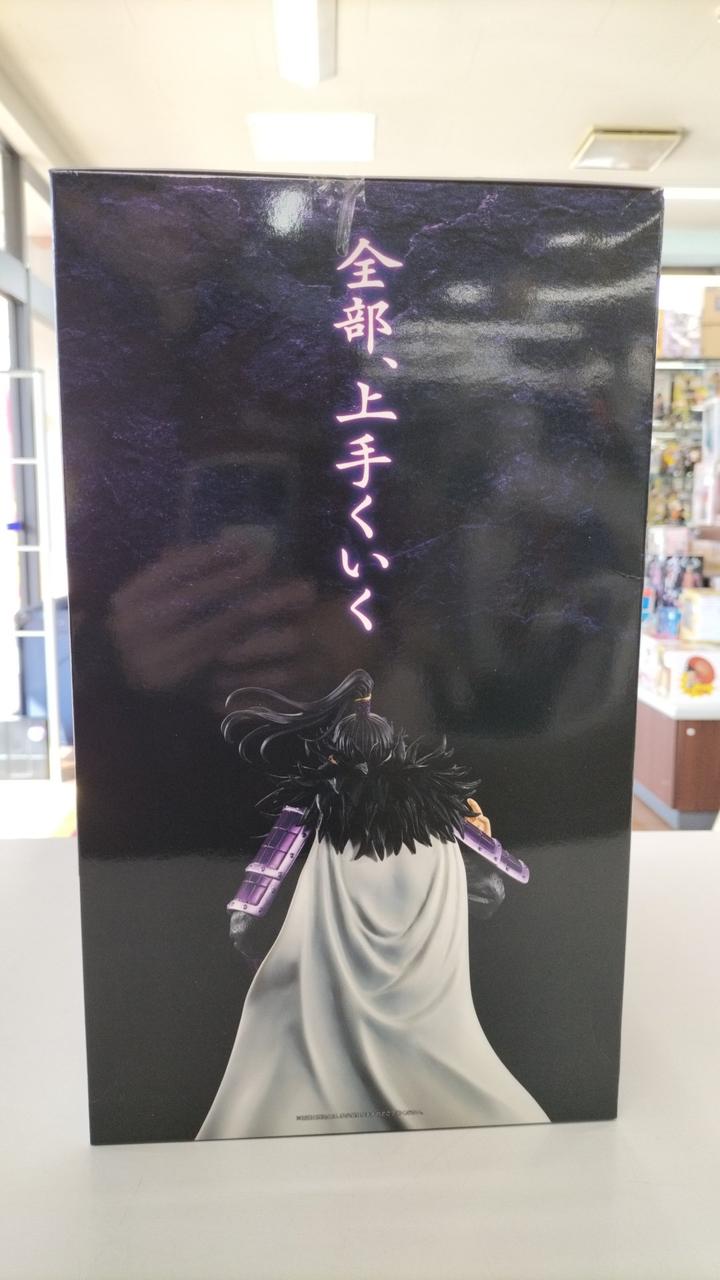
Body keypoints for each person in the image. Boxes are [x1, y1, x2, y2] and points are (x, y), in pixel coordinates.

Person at [197, 670, 547, 1139]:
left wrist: (250, 929)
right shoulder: (438, 813)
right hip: (415, 973)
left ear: (335, 753)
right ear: (391, 749)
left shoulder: (315, 809)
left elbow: (263, 882)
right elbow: (497, 880)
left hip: (350, 973)